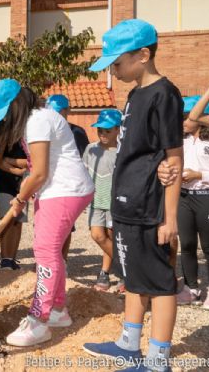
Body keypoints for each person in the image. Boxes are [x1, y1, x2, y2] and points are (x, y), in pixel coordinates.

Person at [82, 19, 183, 372]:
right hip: (125, 203)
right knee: (133, 277)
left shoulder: (165, 94)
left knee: (159, 282)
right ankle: (129, 343)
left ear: (143, 55)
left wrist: (170, 220)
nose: (113, 70)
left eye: (117, 62)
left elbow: (173, 155)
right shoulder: (134, 94)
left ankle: (158, 360)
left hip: (148, 208)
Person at [0, 78, 94, 347]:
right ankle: (58, 311)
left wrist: (20, 197)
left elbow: (41, 172)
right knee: (52, 250)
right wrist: (25, 194)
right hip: (58, 190)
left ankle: (39, 320)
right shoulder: (37, 119)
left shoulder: (36, 121)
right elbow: (38, 165)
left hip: (64, 189)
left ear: (15, 104)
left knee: (45, 252)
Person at [175, 96, 209, 309]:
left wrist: (200, 174)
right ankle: (191, 289)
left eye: (187, 117)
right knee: (187, 245)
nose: (183, 122)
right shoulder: (182, 140)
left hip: (207, 196)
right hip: (184, 198)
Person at [46, 94, 90, 261]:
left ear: (67, 110)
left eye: (58, 112)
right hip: (47, 186)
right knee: (46, 228)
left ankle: (62, 262)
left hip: (68, 188)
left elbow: (84, 161)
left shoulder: (77, 132)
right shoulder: (44, 132)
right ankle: (47, 261)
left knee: (65, 228)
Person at [82, 109, 122, 291]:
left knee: (112, 237)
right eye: (100, 130)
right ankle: (126, 269)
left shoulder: (122, 151)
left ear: (117, 130)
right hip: (95, 202)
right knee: (98, 235)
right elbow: (83, 172)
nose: (103, 134)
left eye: (107, 130)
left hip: (114, 204)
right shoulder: (91, 149)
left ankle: (106, 272)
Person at [0, 138, 28, 270]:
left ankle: (12, 258)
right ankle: (5, 259)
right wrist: (18, 171)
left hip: (24, 183)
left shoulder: (27, 132)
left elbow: (30, 161)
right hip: (4, 182)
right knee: (6, 219)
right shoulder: (2, 132)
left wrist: (10, 161)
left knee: (18, 220)